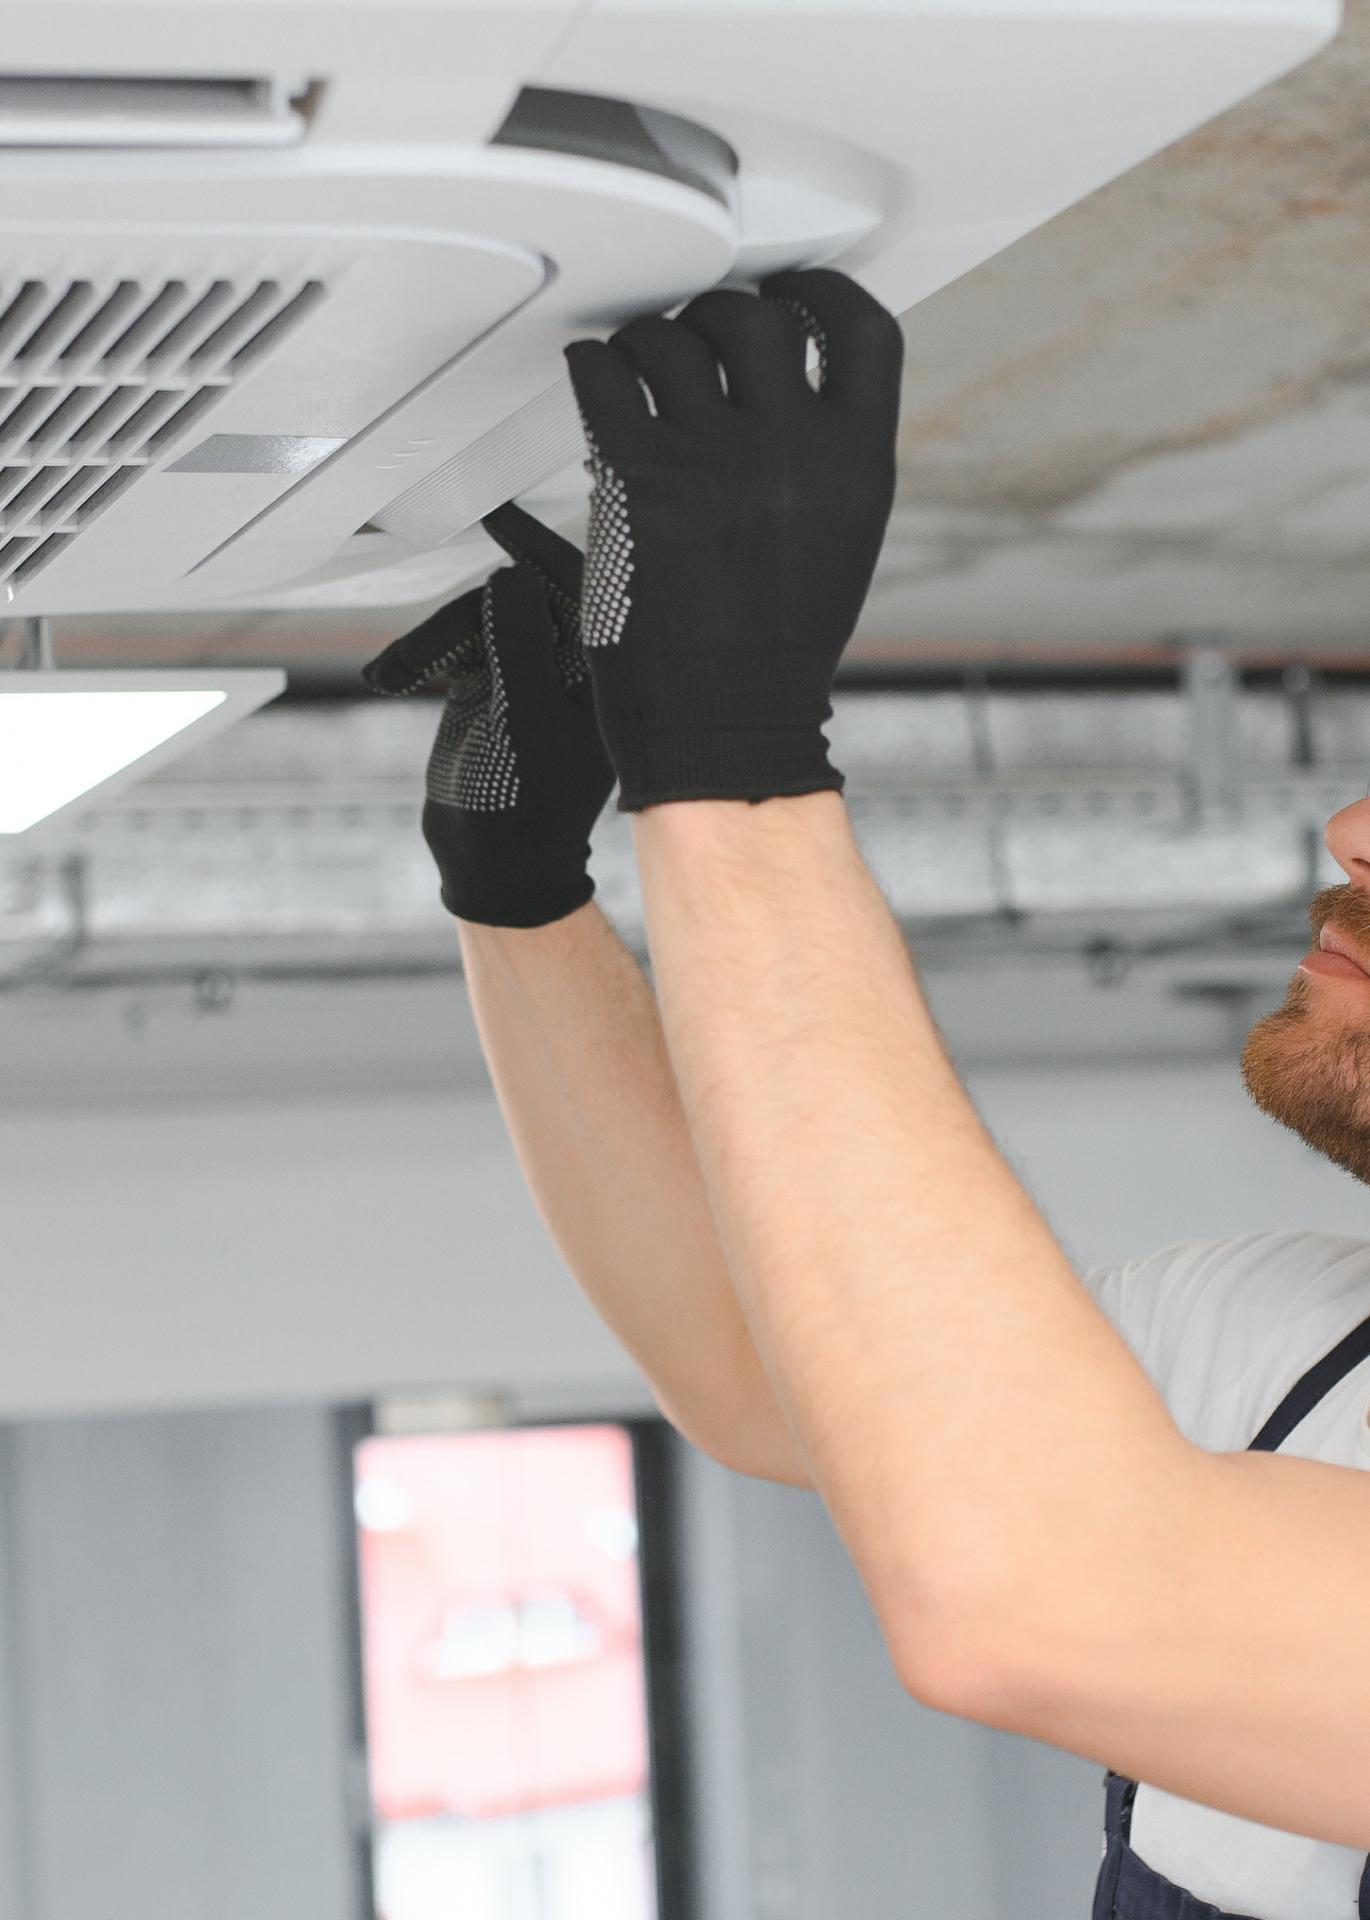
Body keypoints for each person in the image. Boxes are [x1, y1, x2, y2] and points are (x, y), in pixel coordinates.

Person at [365, 271, 1370, 1920]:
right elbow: (778, 1375)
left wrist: (729, 748)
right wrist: (522, 885)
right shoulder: (1299, 1338)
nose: (1347, 828)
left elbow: (1033, 1597)